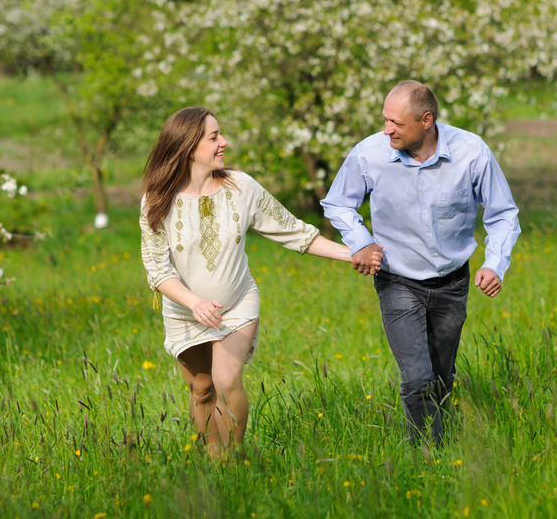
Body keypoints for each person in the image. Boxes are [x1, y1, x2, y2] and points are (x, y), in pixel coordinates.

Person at [140, 106, 381, 457]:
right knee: (202, 389)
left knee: (225, 381)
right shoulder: (156, 200)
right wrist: (195, 303)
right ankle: (214, 456)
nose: (224, 142)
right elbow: (158, 270)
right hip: (184, 314)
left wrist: (355, 253)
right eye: (214, 137)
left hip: (237, 305)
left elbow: (295, 232)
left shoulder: (242, 187)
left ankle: (233, 459)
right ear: (190, 146)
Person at [321, 81, 520, 445]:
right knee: (416, 377)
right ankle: (429, 453)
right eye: (385, 120)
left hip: (452, 282)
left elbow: (503, 213)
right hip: (397, 280)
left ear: (426, 120)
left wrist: (494, 264)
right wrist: (361, 241)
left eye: (396, 123)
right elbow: (337, 203)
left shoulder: (471, 153)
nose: (387, 130)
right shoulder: (369, 154)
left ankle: (441, 435)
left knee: (441, 375)